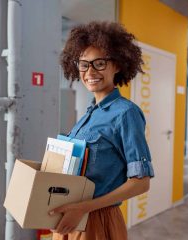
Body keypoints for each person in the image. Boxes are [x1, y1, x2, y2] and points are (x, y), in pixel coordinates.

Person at [50, 21, 155, 240]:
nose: (90, 71)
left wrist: (85, 207)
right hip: (70, 219)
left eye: (99, 63)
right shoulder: (89, 114)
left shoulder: (126, 113)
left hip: (97, 223)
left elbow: (141, 182)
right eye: (84, 64)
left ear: (116, 65)